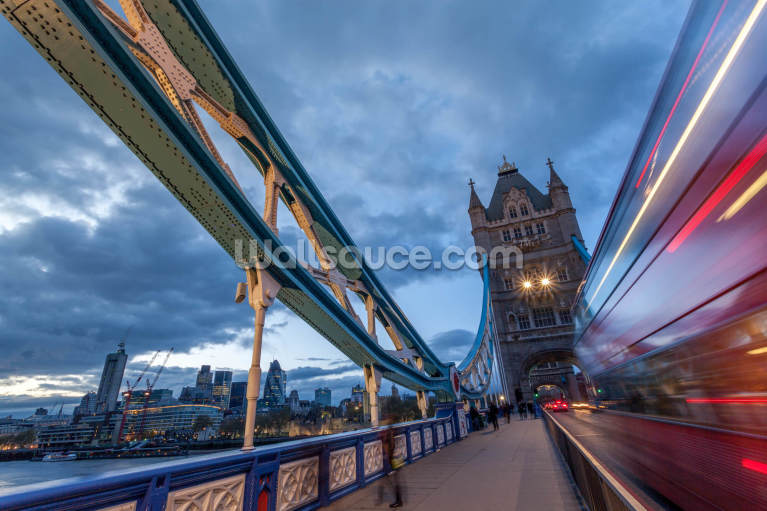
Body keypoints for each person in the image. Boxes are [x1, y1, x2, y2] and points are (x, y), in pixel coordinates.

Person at [380, 428, 404, 508]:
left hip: (394, 460)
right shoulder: (392, 432)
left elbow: (391, 447)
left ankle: (399, 501)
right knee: (395, 480)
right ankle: (399, 500)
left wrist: (389, 460)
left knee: (395, 481)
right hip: (397, 458)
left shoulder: (389, 434)